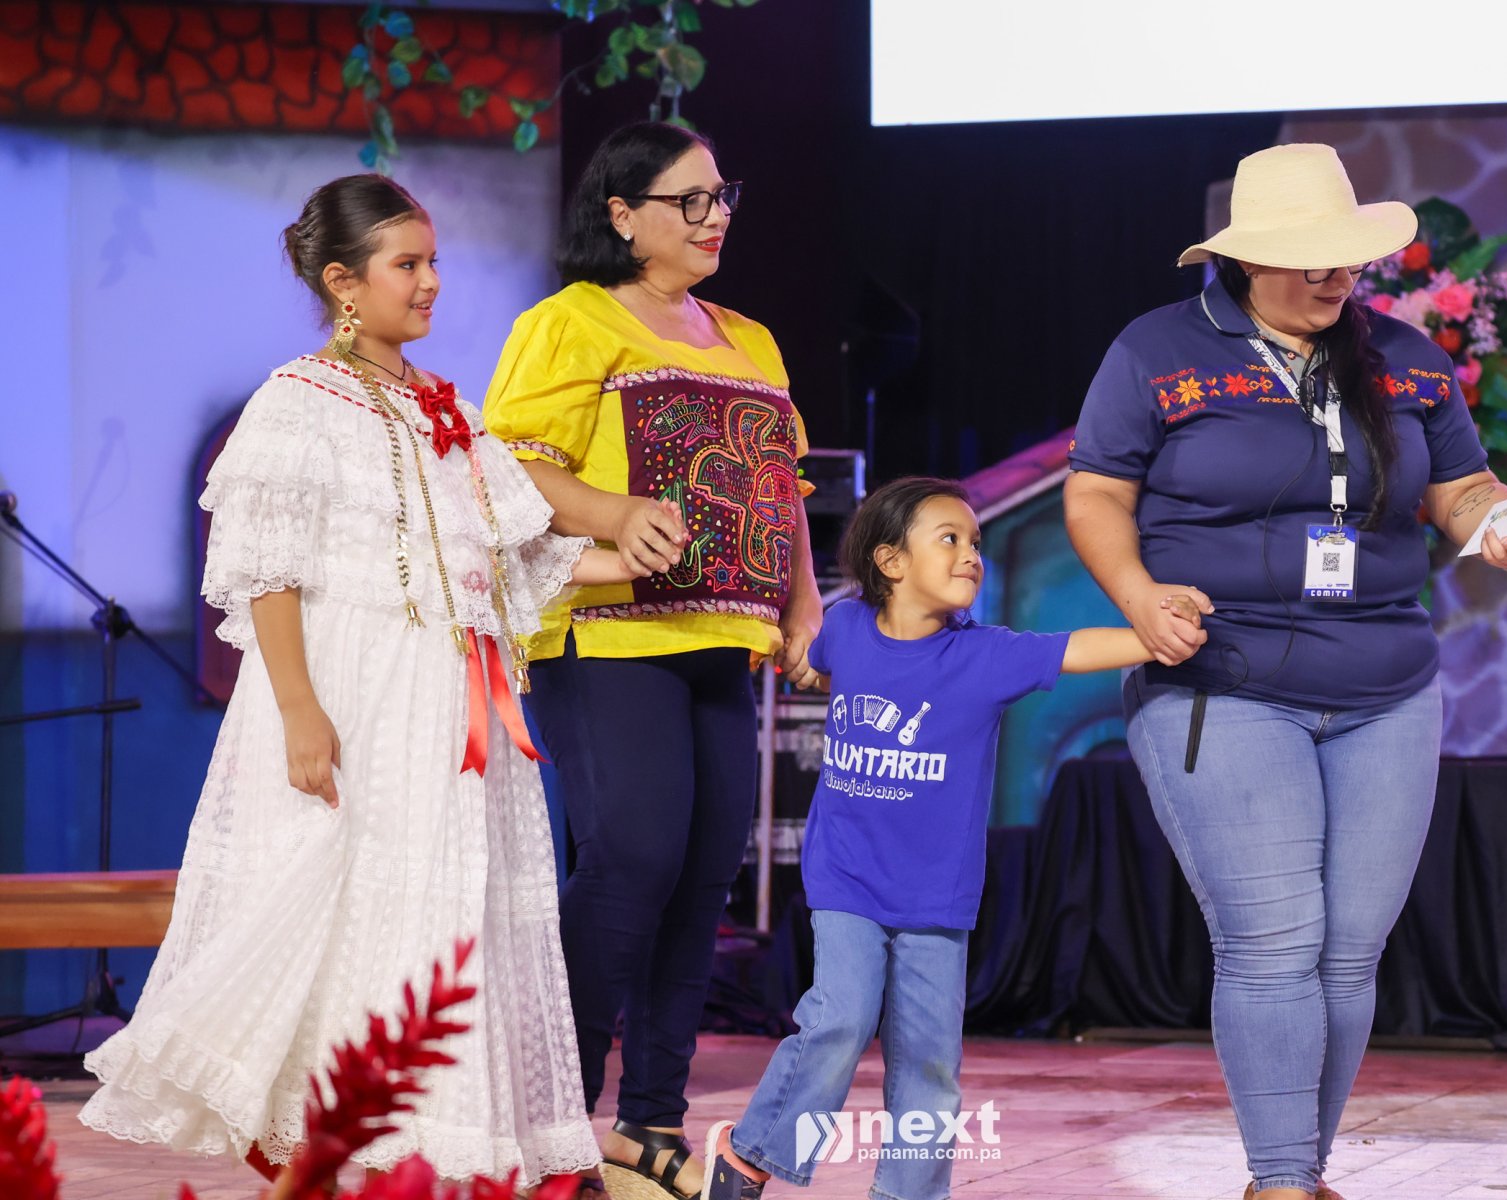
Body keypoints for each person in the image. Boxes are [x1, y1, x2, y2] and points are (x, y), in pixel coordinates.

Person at [79, 174, 631, 1185]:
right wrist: (300, 709)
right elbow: (269, 571)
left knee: (438, 915)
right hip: (355, 689)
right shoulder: (298, 402)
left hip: (450, 705)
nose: (430, 283)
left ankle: (413, 1141)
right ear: (344, 282)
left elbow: (512, 559)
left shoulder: (447, 408)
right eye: (406, 264)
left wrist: (632, 555)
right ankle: (331, 1140)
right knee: (339, 910)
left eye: (433, 262)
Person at [1062, 143, 1507, 1200]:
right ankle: (1281, 1181)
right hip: (1223, 681)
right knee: (1274, 941)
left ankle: (1298, 1174)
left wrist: (1497, 519)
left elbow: (1457, 485)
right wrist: (1138, 597)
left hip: (1386, 689)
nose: (1336, 276)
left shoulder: (1406, 357)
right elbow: (1096, 491)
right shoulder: (1158, 350)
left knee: (1348, 954)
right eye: (1311, 258)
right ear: (1247, 258)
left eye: (1347, 257)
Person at [483, 121, 823, 1200]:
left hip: (724, 639)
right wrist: (616, 512)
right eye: (691, 201)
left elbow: (782, 489)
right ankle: (555, 1120)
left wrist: (803, 601)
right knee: (631, 856)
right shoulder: (568, 322)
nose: (715, 217)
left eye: (723, 197)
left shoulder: (752, 339)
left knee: (702, 874)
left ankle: (651, 1121)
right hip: (607, 635)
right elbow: (516, 472)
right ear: (623, 215)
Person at [699, 476, 1202, 1200]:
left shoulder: (986, 656)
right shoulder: (845, 628)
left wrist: (1159, 630)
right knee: (840, 1018)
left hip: (938, 896)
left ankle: (909, 1192)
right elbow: (807, 652)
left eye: (975, 542)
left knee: (929, 1062)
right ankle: (749, 1153)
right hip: (846, 879)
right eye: (950, 539)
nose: (972, 555)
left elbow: (1078, 646)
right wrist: (794, 655)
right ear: (890, 561)